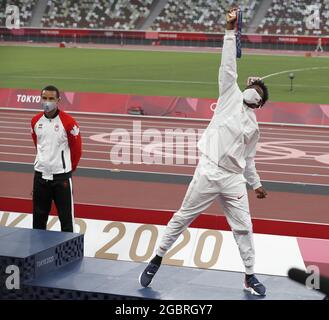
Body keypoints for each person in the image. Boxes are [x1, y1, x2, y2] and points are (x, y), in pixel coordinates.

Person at [139, 7, 269, 296]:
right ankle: (156, 259)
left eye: (258, 90)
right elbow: (227, 66)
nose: (253, 88)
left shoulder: (254, 127)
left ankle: (249, 275)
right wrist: (228, 30)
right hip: (208, 170)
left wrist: (256, 184)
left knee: (244, 228)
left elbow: (249, 160)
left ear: (259, 102)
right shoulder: (229, 94)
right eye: (252, 85)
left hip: (234, 180)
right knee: (182, 217)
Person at [31, 85, 82, 232]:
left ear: (58, 100)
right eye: (45, 98)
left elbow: (77, 149)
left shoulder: (68, 122)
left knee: (66, 220)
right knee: (38, 219)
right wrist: (42, 162)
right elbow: (38, 144)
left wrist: (66, 168)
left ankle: (68, 255)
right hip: (40, 177)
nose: (47, 102)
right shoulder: (35, 121)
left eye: (51, 99)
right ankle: (37, 252)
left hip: (61, 179)